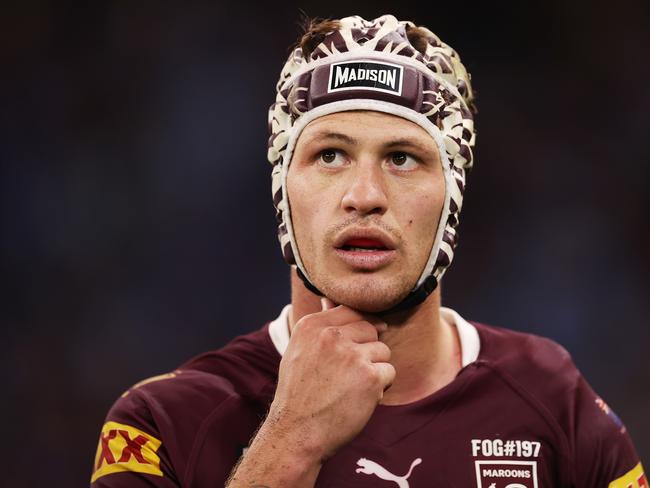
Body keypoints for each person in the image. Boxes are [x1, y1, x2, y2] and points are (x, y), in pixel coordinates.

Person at [90, 14, 645, 488]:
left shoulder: (555, 400)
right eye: (330, 155)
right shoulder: (160, 423)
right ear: (283, 188)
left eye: (402, 157)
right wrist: (289, 443)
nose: (365, 196)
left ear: (452, 194)